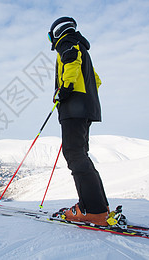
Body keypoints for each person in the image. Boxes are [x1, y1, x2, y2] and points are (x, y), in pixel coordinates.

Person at [48, 17, 109, 226]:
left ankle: (92, 210)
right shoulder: (82, 47)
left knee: (74, 155)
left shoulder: (68, 43)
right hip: (85, 109)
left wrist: (64, 91)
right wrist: (84, 99)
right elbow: (96, 80)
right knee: (80, 155)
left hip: (73, 108)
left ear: (56, 32)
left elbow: (71, 61)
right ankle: (100, 207)